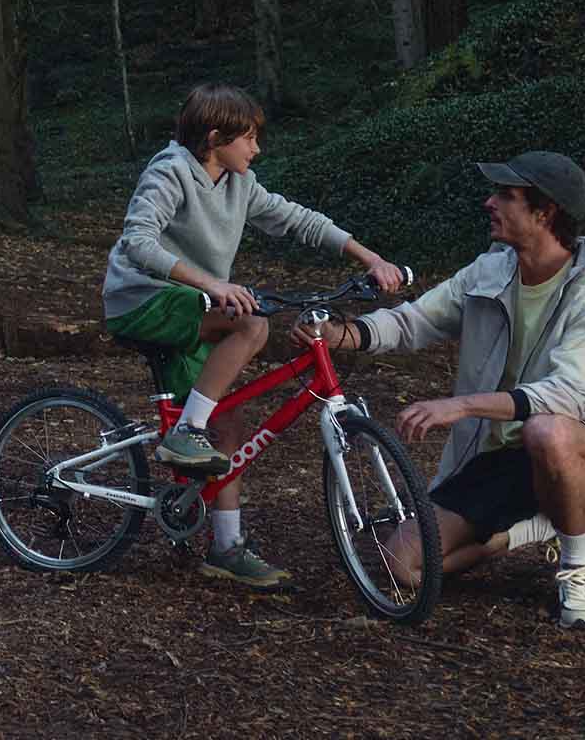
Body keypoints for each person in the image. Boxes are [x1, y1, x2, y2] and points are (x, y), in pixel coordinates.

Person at [301, 152, 585, 630]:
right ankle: (528, 528)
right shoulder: (493, 269)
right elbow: (417, 319)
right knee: (396, 568)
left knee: (548, 432)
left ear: (544, 212)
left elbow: (571, 393)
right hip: (498, 456)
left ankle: (580, 570)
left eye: (506, 195)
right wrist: (347, 334)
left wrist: (461, 405)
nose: (489, 203)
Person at [101, 83, 406, 590]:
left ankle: (225, 548)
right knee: (252, 322)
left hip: (192, 305)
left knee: (230, 422)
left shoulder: (240, 183)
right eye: (248, 138)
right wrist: (212, 284)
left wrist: (369, 257)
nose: (256, 148)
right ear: (215, 137)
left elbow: (297, 220)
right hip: (143, 300)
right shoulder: (170, 171)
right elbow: (137, 242)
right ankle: (184, 434)